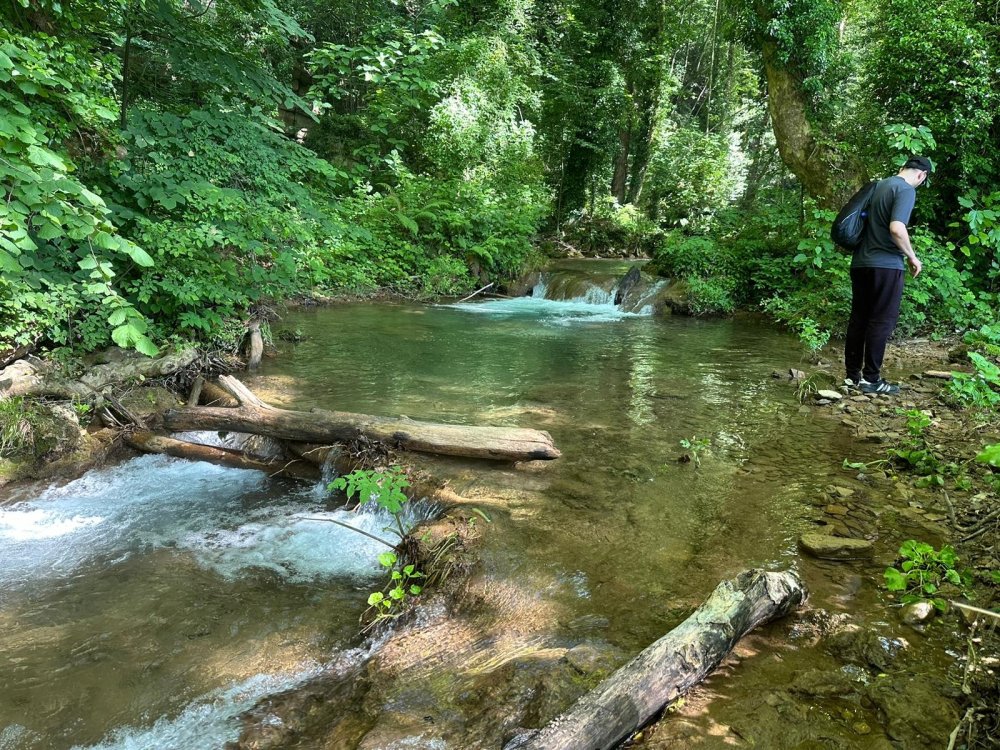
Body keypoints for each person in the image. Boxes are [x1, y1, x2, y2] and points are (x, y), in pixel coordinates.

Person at [844, 156, 932, 395]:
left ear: (901, 168)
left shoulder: (878, 186)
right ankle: (871, 380)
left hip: (860, 262)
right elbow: (896, 228)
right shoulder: (904, 189)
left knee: (859, 319)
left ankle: (852, 377)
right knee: (881, 321)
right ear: (921, 175)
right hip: (886, 265)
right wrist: (912, 256)